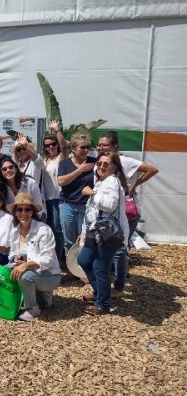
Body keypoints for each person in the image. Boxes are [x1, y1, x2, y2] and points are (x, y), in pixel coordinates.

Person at [96, 131, 158, 294]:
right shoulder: (101, 162)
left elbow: (152, 169)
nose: (101, 148)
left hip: (124, 212)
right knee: (109, 248)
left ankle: (119, 285)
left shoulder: (125, 161)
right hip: (108, 212)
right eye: (100, 144)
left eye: (105, 145)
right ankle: (109, 281)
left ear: (115, 146)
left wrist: (135, 184)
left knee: (120, 250)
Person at [77, 152, 129, 315]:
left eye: (106, 164)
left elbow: (110, 205)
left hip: (107, 232)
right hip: (95, 230)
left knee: (100, 266)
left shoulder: (111, 181)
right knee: (84, 260)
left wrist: (92, 193)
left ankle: (103, 304)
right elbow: (92, 211)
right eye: (99, 163)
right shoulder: (102, 181)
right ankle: (100, 293)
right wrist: (84, 231)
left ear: (114, 167)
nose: (101, 166)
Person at [7, 193, 61, 321]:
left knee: (25, 276)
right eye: (20, 209)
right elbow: (12, 252)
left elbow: (48, 260)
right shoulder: (15, 230)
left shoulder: (44, 230)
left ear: (33, 212)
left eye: (27, 209)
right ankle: (34, 296)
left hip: (49, 275)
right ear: (15, 212)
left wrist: (25, 264)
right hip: (30, 270)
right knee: (5, 270)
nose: (23, 213)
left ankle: (33, 309)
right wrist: (15, 258)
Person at [57, 134, 96, 266]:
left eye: (88, 147)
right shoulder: (65, 164)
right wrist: (79, 171)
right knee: (68, 239)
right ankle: (72, 267)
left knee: (85, 239)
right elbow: (61, 181)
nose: (86, 150)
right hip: (67, 205)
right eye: (82, 147)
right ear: (73, 149)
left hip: (86, 207)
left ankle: (84, 268)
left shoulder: (94, 163)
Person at [42, 121, 69, 264]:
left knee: (58, 231)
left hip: (59, 198)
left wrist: (57, 130)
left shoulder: (61, 158)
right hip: (46, 199)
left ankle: (59, 261)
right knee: (50, 230)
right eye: (47, 145)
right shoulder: (45, 160)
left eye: (53, 144)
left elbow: (64, 146)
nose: (51, 147)